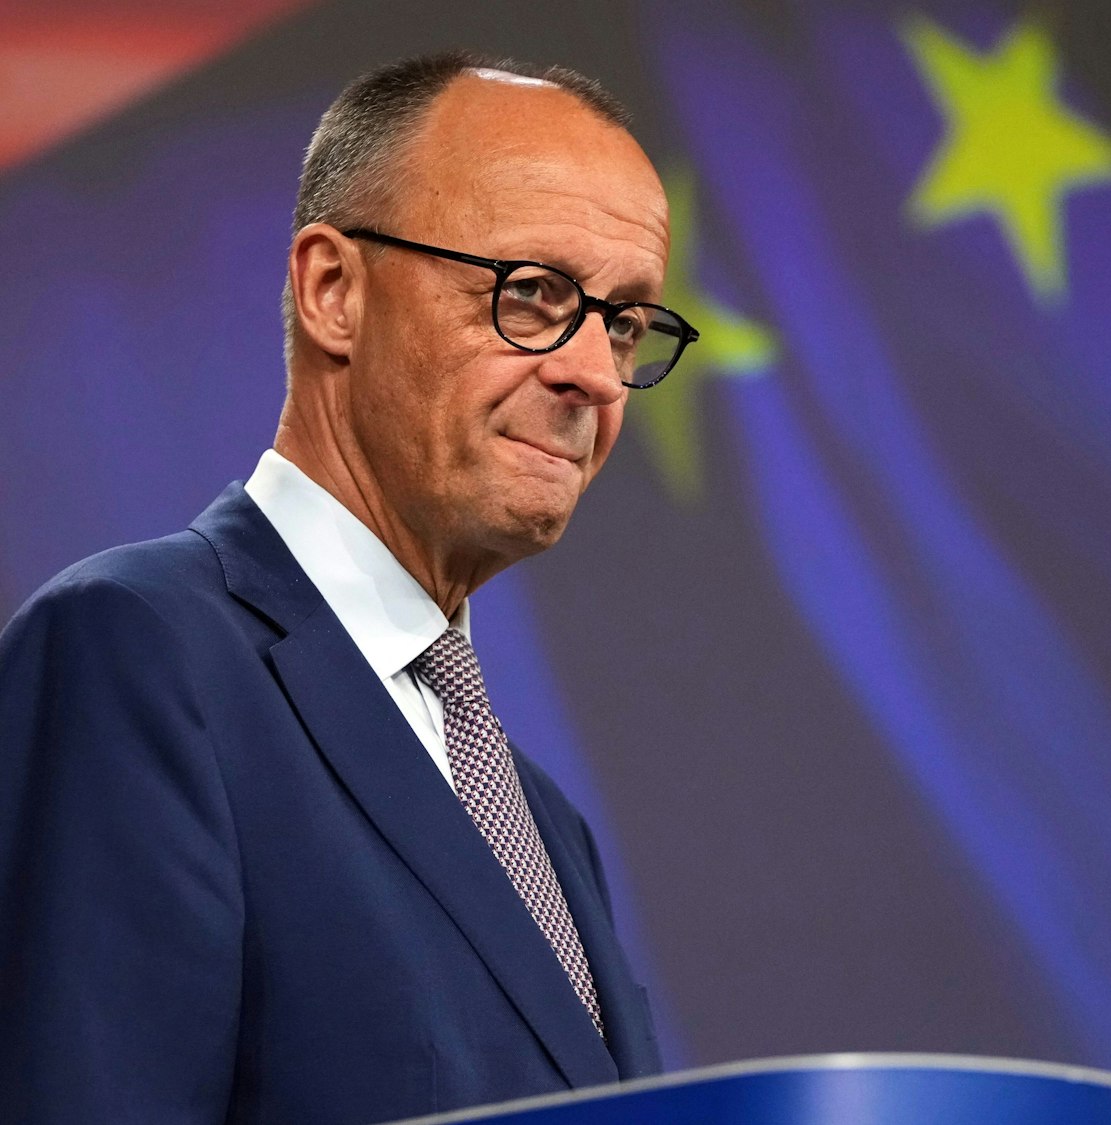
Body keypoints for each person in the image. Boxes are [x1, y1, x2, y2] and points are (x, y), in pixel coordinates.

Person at [0, 51, 697, 1123]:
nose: (595, 378)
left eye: (622, 323)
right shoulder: (138, 653)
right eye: (535, 294)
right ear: (333, 290)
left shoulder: (543, 823)